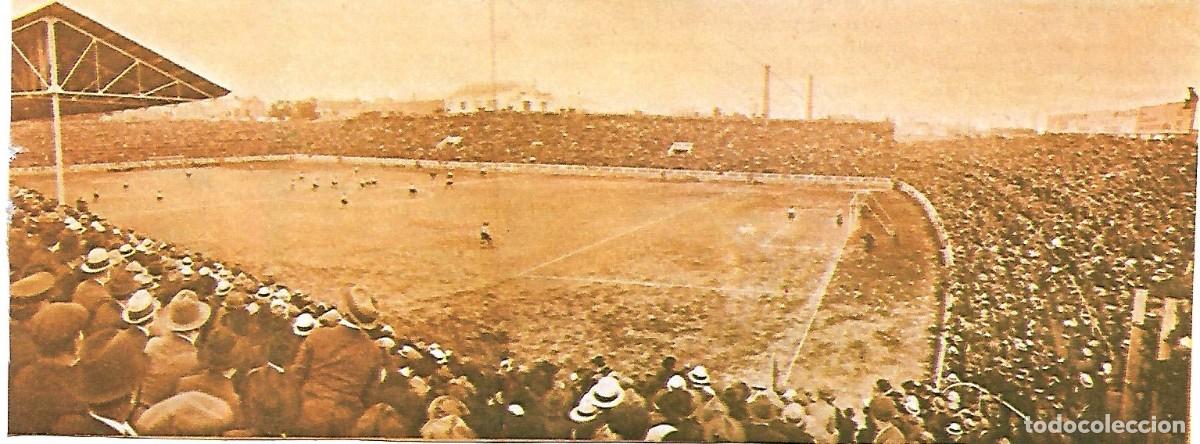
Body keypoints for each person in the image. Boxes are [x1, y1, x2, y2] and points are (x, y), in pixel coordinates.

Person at [290, 284, 384, 437]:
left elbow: (296, 375)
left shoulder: (318, 336)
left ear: (345, 311)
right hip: (346, 421)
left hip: (309, 412)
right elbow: (369, 395)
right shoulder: (373, 351)